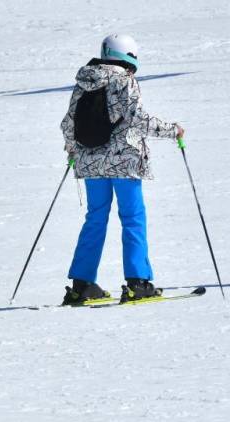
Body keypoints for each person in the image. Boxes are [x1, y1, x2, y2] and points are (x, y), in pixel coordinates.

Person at [60, 34, 184, 305]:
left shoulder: (83, 83)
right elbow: (137, 120)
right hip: (124, 161)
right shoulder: (124, 80)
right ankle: (137, 283)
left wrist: (73, 150)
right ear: (130, 56)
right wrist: (172, 130)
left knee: (95, 219)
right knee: (132, 218)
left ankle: (81, 286)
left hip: (91, 163)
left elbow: (67, 124)